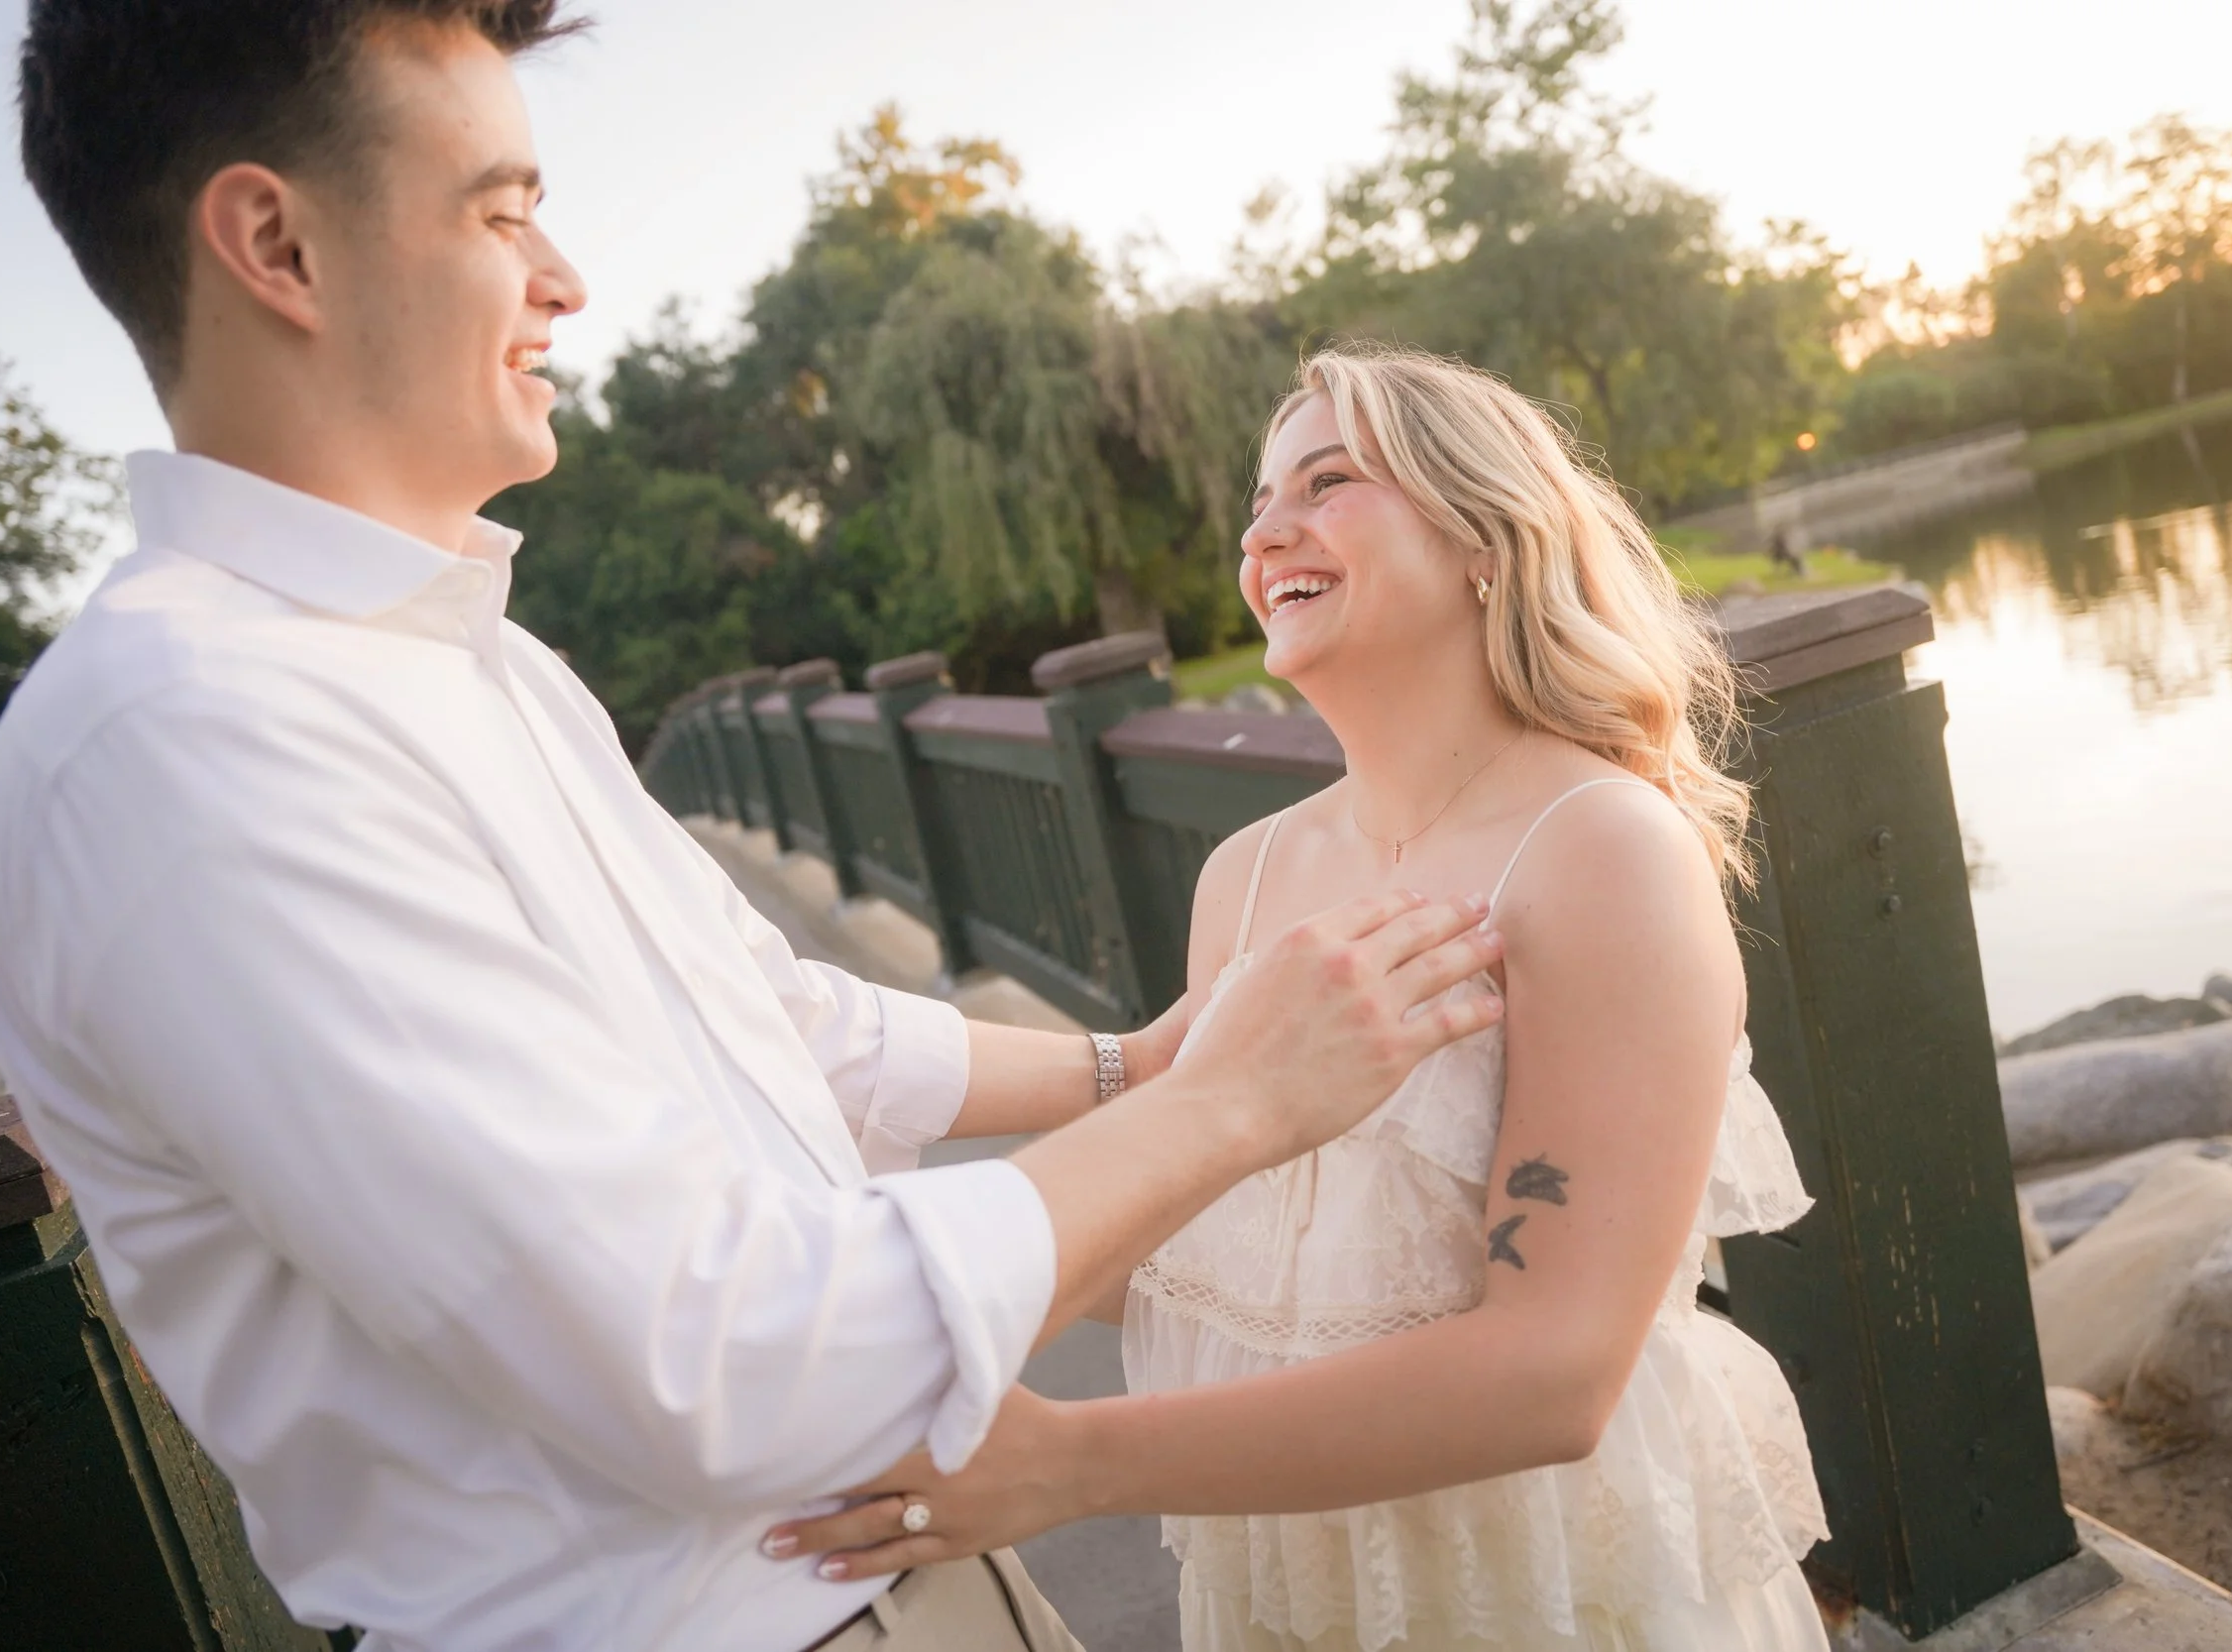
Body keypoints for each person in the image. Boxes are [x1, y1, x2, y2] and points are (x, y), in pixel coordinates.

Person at [0, 9, 1507, 1651]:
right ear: (277, 243)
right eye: (501, 213)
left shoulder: (480, 661)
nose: (561, 277)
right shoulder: (179, 741)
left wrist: (1126, 1066)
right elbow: (723, 1362)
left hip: (920, 1571)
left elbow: (763, 1016)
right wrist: (1233, 1107)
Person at [774, 346, 1832, 1651]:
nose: (1266, 531)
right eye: (1259, 505)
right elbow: (1224, 1263)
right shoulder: (1249, 874)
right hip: (1288, 1572)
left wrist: (1073, 1459)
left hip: (1542, 1583)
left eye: (1326, 483)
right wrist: (856, 1283)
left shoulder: (1598, 848)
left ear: (1482, 535)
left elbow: (1560, 1367)